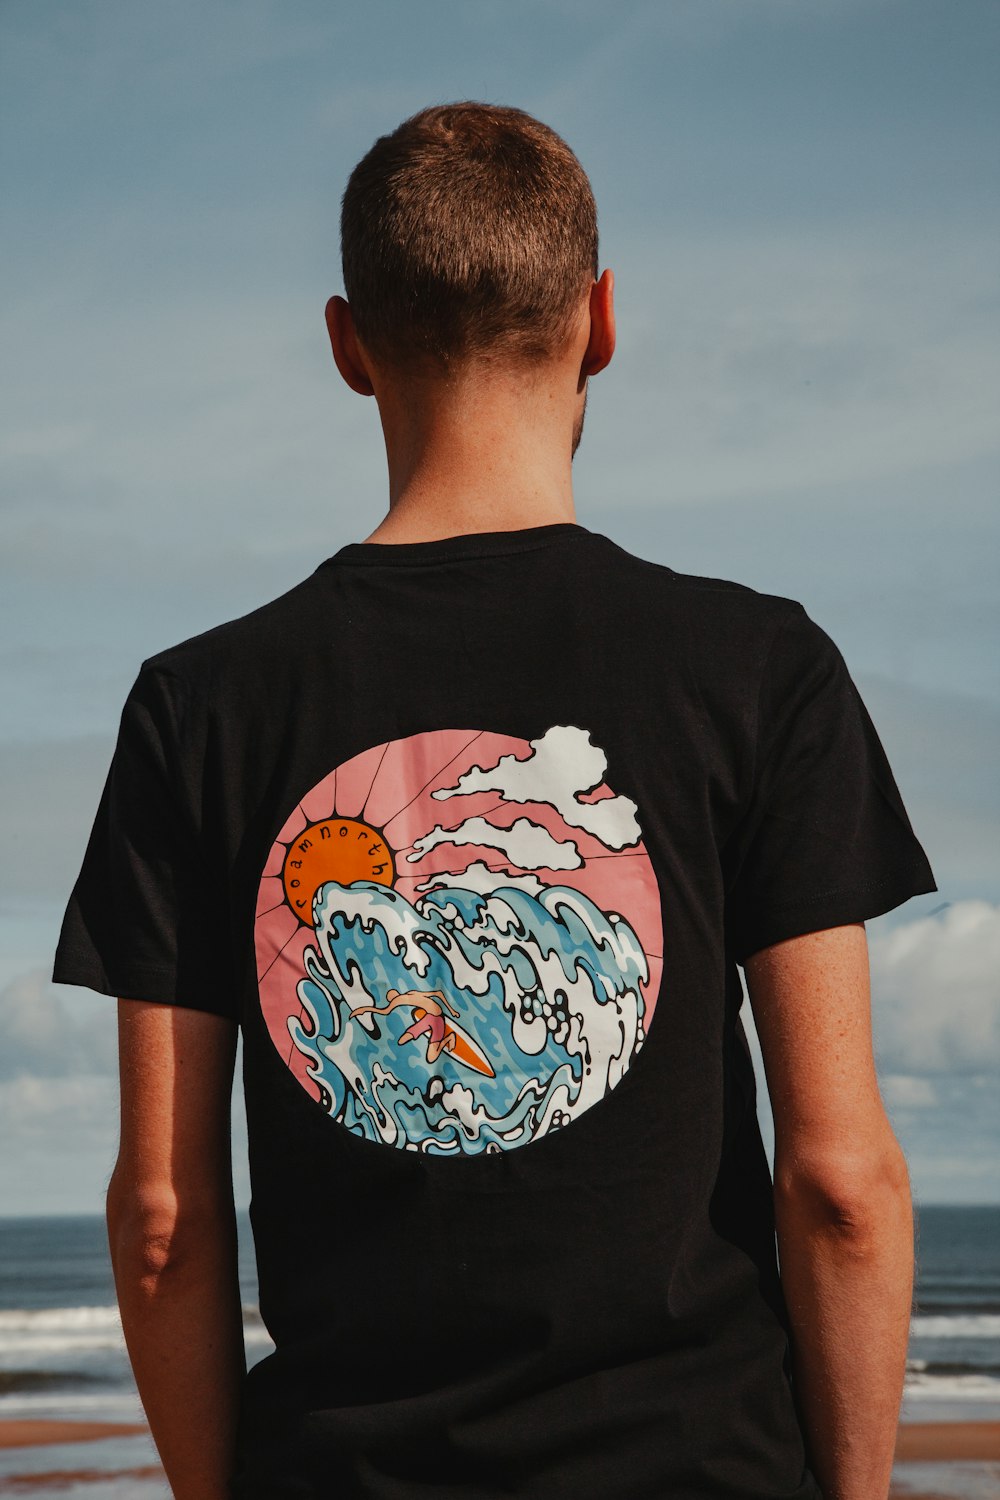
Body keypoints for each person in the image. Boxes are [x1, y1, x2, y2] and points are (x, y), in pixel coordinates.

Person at [54, 102, 936, 1500]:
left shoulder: (200, 706)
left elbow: (161, 1217)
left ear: (348, 344)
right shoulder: (759, 670)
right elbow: (840, 1186)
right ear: (599, 321)